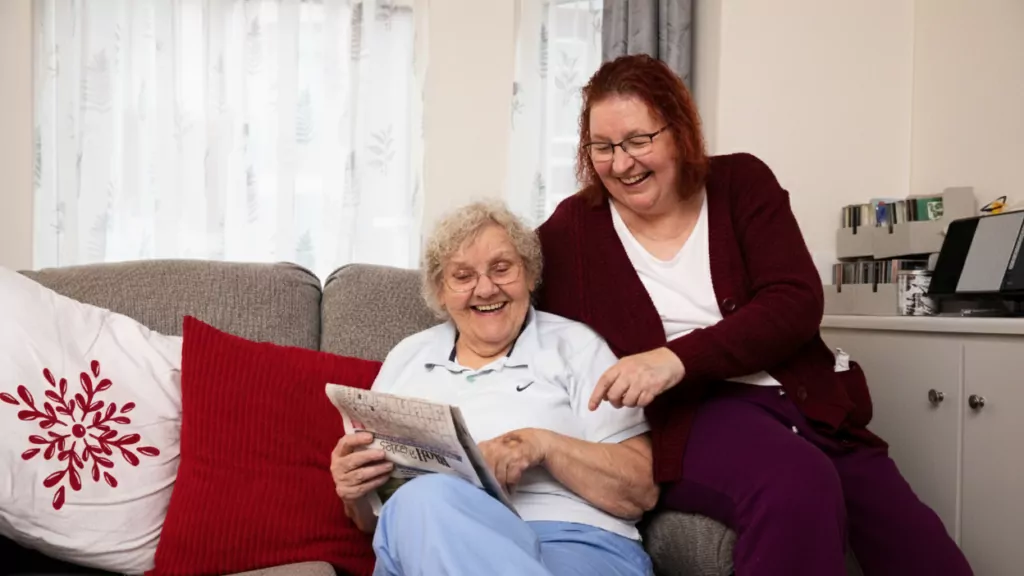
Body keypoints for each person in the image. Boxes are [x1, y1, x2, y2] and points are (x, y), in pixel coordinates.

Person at [535, 53, 974, 576]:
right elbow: (502, 281)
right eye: (602, 147)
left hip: (805, 402)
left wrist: (672, 359)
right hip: (694, 415)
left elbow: (796, 301)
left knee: (922, 550)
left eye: (637, 140)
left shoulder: (741, 182)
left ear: (677, 129)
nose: (622, 163)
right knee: (795, 483)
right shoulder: (573, 231)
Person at [329, 200, 658, 576]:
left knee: (424, 499)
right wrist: (355, 494)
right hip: (431, 543)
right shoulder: (408, 357)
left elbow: (640, 491)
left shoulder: (576, 347)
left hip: (571, 541)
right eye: (463, 276)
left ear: (530, 275)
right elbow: (379, 523)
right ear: (440, 291)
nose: (485, 289)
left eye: (502, 269)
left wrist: (542, 445)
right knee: (420, 499)